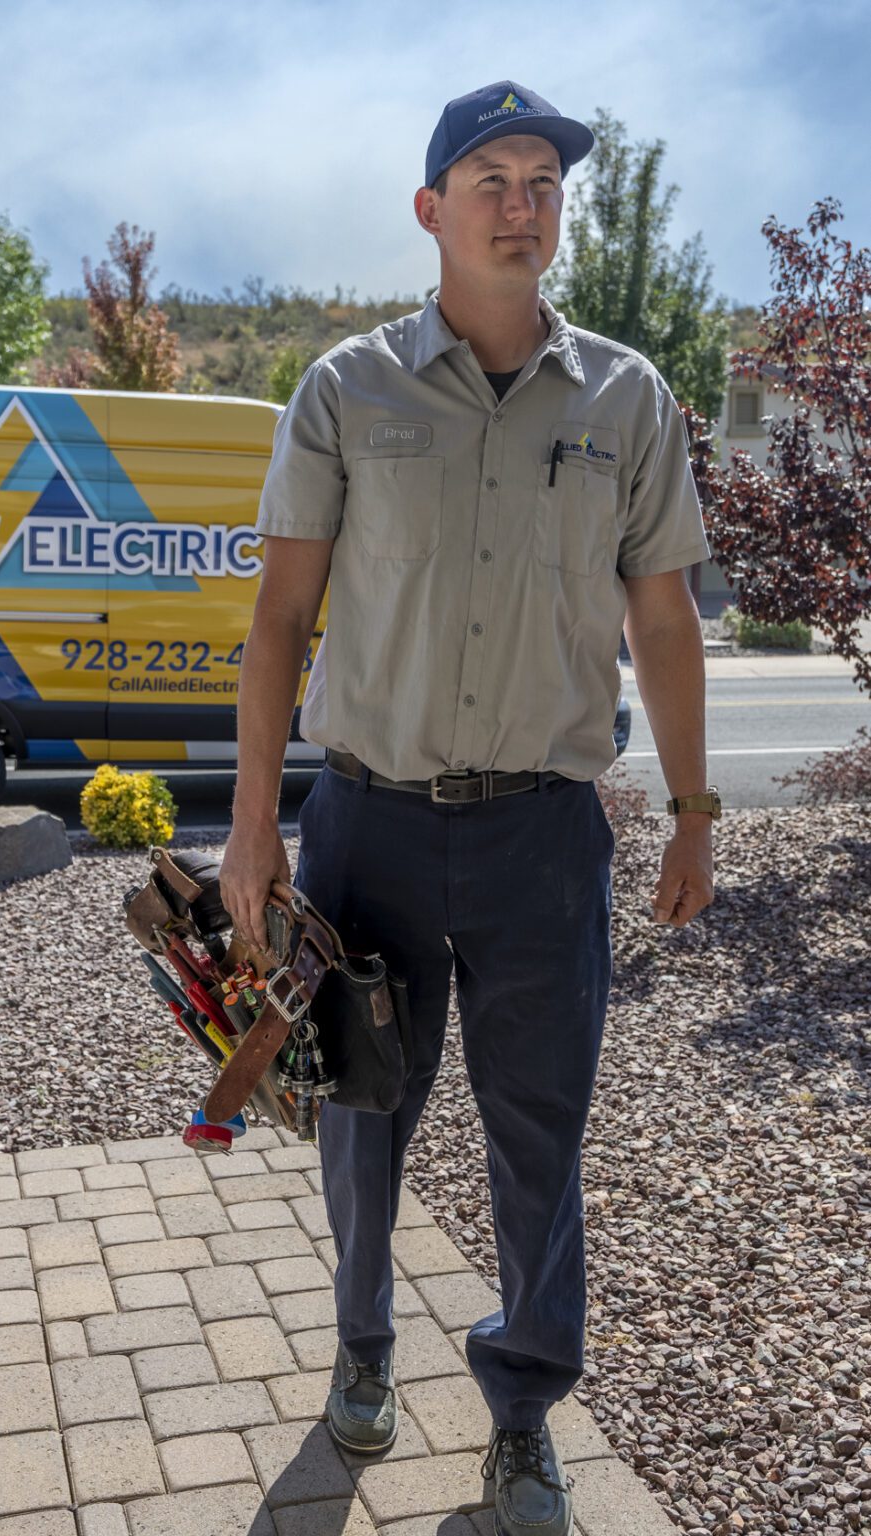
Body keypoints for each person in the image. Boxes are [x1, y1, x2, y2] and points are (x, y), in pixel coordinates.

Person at [220, 78, 717, 1536]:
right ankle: (362, 1353)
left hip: (540, 840)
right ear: (431, 209)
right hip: (364, 826)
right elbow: (275, 621)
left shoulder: (624, 398)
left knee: (537, 1132)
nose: (521, 201)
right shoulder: (345, 388)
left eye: (543, 182)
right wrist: (254, 826)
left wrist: (690, 807)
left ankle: (520, 1413)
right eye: (490, 178)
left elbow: (668, 620)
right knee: (355, 1116)